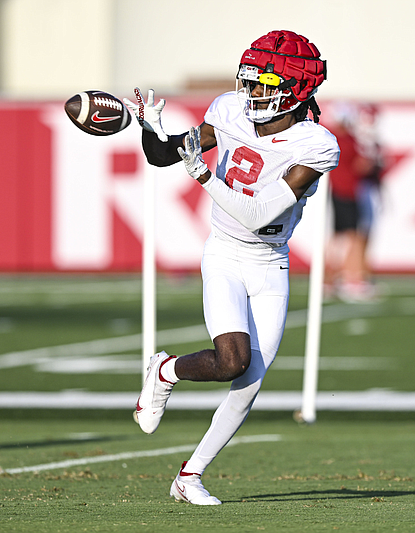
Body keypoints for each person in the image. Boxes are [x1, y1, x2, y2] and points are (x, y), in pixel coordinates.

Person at [122, 30, 339, 505]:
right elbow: (163, 156)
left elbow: (261, 213)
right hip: (224, 253)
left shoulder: (316, 145)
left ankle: (189, 476)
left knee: (249, 383)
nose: (254, 93)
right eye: (251, 82)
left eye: (266, 84)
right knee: (232, 361)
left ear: (298, 90)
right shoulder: (228, 111)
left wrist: (202, 176)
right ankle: (164, 372)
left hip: (270, 262)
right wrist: (148, 126)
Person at [325, 103, 381, 302]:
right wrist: (374, 162)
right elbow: (360, 165)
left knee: (337, 237)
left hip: (336, 191)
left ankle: (330, 279)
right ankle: (353, 279)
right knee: (354, 236)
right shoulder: (347, 139)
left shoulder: (331, 138)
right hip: (348, 191)